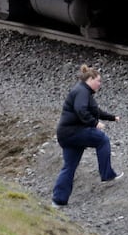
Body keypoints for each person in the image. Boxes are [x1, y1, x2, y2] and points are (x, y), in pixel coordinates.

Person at [51, 64, 122, 207]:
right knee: (102, 139)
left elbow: (96, 111)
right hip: (73, 132)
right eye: (98, 81)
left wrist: (112, 117)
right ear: (90, 79)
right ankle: (107, 175)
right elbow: (81, 110)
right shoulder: (82, 91)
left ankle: (58, 201)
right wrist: (95, 124)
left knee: (69, 166)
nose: (100, 84)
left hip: (66, 135)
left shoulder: (83, 92)